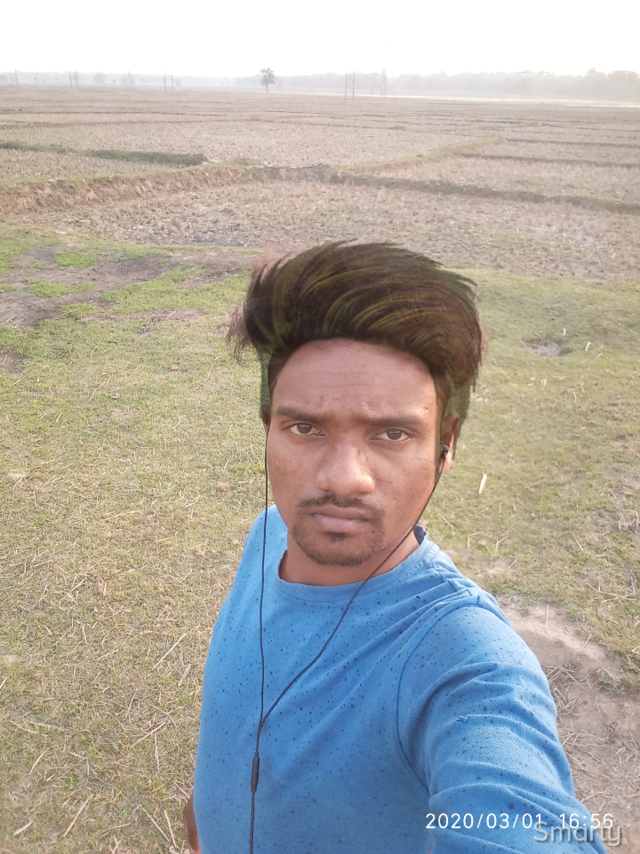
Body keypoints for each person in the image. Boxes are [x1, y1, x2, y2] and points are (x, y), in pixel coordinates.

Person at [183, 243, 606, 853]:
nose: (343, 478)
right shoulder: (268, 533)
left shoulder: (465, 663)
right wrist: (212, 809)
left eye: (391, 434)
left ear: (445, 445)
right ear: (268, 427)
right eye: (304, 427)